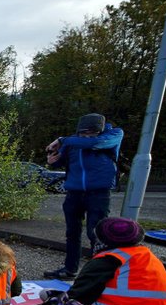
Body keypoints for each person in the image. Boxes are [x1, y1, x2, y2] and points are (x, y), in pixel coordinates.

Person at [65, 217, 166, 305]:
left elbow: (79, 295)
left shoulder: (108, 260)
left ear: (101, 238)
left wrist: (51, 299)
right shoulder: (147, 257)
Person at [44, 113, 123, 279]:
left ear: (99, 131)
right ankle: (70, 269)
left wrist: (62, 139)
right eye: (82, 134)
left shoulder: (113, 135)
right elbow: (61, 159)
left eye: (90, 134)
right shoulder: (71, 141)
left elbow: (95, 143)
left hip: (98, 193)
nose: (86, 137)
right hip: (74, 193)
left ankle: (98, 273)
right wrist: (52, 160)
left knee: (96, 233)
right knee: (72, 233)